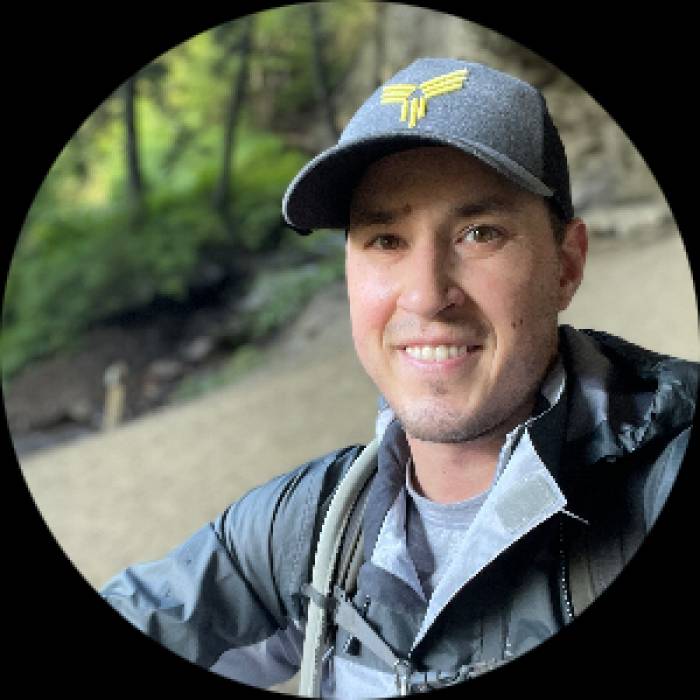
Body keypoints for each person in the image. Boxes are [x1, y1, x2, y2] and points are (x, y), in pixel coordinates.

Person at [100, 58, 697, 697]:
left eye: (479, 233)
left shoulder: (659, 482)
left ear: (566, 266)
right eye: (386, 240)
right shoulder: (313, 531)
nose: (425, 295)